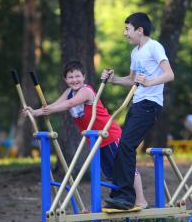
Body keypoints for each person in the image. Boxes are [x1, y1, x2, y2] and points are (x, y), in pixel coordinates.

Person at [24, 60, 148, 208]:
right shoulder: (68, 92)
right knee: (111, 173)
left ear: (84, 77)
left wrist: (49, 110)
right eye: (70, 77)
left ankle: (141, 200)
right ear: (65, 80)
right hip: (96, 139)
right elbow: (55, 105)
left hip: (109, 135)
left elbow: (69, 104)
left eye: (77, 76)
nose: (74, 80)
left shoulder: (86, 91)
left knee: (125, 168)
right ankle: (123, 199)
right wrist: (35, 112)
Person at [100, 12, 174, 210]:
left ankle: (125, 196)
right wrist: (112, 79)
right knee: (123, 146)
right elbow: (132, 80)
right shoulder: (135, 52)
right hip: (137, 103)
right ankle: (121, 194)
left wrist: (149, 82)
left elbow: (169, 74)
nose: (125, 33)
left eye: (127, 29)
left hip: (150, 104)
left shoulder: (154, 47)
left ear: (139, 30)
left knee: (125, 145)